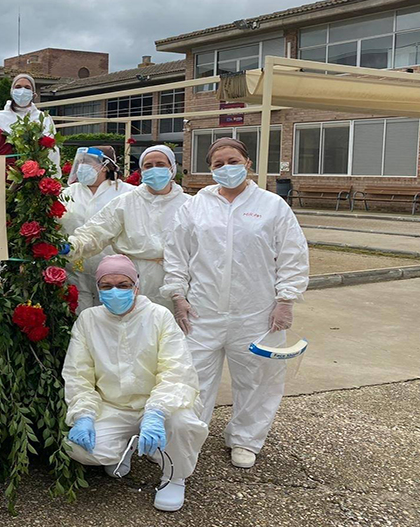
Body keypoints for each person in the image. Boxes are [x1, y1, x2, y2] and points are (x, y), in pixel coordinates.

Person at [161, 137, 309, 469]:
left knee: (258, 379)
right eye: (218, 164)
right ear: (210, 169)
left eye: (233, 161)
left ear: (248, 163)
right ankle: (187, 440)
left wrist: (286, 300)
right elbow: (177, 254)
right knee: (191, 377)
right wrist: (178, 295)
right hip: (201, 310)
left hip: (256, 312)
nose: (226, 168)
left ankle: (246, 438)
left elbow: (292, 255)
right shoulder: (195, 206)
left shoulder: (272, 206)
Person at [62, 255, 208, 512]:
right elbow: (78, 374)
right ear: (98, 288)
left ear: (136, 286)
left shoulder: (158, 316)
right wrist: (83, 413)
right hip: (113, 405)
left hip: (158, 404)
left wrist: (156, 411)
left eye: (123, 284)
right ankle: (124, 447)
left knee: (182, 423)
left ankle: (174, 477)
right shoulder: (89, 320)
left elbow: (176, 371)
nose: (115, 291)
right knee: (80, 447)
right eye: (106, 286)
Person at [66, 145, 190, 311]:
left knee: (165, 330)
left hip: (172, 280)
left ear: (173, 168)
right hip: (130, 279)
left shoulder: (188, 204)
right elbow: (97, 231)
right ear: (141, 170)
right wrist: (73, 245)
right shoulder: (126, 201)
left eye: (160, 165)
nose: (154, 170)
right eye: (148, 166)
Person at [59, 146, 134, 311]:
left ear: (106, 166)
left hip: (114, 274)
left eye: (88, 163)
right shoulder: (67, 193)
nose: (82, 167)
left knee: (112, 318)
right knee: (81, 320)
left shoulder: (127, 193)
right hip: (75, 271)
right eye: (80, 162)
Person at [0, 73, 60, 166]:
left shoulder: (44, 118)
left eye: (27, 88)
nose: (22, 91)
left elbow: (52, 150)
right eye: (18, 87)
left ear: (33, 94)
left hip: (36, 174)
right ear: (12, 92)